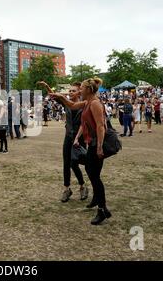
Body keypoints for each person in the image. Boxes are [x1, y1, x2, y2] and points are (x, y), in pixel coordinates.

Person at [48, 77, 112, 225]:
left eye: (81, 88)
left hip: (97, 143)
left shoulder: (95, 103)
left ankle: (102, 210)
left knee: (94, 175)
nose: (80, 90)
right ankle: (99, 202)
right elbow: (71, 104)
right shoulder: (87, 102)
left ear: (88, 90)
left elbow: (101, 126)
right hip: (92, 143)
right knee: (91, 172)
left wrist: (100, 146)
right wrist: (60, 96)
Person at [39, 81, 89, 203]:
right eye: (70, 90)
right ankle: (67, 189)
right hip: (68, 137)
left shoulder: (83, 105)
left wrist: (77, 138)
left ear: (79, 92)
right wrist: (46, 86)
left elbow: (84, 123)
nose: (70, 92)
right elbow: (53, 95)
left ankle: (83, 186)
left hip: (80, 138)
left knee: (74, 163)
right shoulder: (67, 103)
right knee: (66, 163)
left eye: (73, 90)